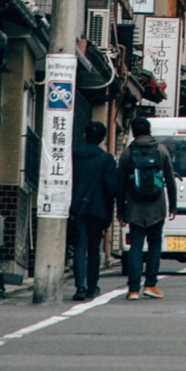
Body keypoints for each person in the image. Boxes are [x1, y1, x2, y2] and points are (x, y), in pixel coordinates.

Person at [116, 115, 180, 300]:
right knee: (154, 245)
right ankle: (151, 285)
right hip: (156, 207)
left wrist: (121, 211)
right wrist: (173, 206)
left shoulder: (127, 153)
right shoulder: (161, 151)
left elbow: (120, 184)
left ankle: (133, 289)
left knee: (135, 247)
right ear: (149, 131)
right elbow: (170, 179)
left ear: (134, 132)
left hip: (134, 207)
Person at [68, 121, 119, 300]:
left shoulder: (72, 155)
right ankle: (92, 286)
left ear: (84, 135)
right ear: (103, 138)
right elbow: (110, 186)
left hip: (76, 208)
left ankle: (80, 287)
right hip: (97, 209)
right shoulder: (106, 159)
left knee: (79, 247)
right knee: (94, 248)